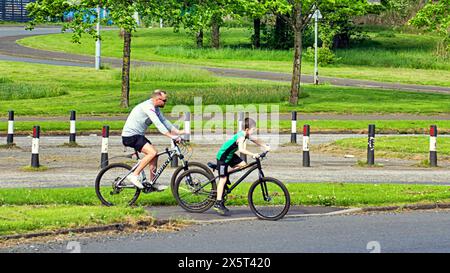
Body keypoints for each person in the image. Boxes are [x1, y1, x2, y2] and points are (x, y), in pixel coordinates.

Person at [121, 90, 184, 190]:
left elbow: (164, 121)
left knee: (155, 155)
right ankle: (134, 175)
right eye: (164, 100)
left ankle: (152, 182)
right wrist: (171, 136)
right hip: (130, 136)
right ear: (157, 99)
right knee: (152, 152)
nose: (165, 103)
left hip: (138, 136)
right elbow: (158, 124)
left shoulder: (156, 108)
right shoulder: (148, 107)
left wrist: (177, 132)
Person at [214, 117, 270, 216]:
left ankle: (224, 172)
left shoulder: (245, 134)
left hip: (230, 156)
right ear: (247, 129)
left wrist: (265, 146)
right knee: (223, 179)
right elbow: (241, 149)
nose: (254, 131)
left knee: (244, 165)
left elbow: (256, 140)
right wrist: (253, 154)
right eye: (253, 129)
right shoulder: (241, 137)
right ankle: (218, 203)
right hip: (223, 157)